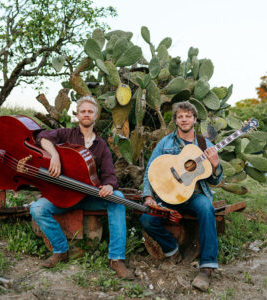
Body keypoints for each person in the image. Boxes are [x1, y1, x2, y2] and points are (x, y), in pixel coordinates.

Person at [30, 95, 133, 279]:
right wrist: (53, 154)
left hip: (89, 197)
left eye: (90, 112)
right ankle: (60, 250)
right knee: (37, 208)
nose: (86, 114)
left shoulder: (101, 145)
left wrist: (109, 185)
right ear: (77, 115)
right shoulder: (65, 134)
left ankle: (116, 259)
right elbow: (42, 137)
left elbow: (109, 173)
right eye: (83, 111)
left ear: (95, 116)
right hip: (62, 197)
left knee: (118, 199)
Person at [140, 101, 223, 291]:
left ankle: (207, 267)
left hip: (195, 195)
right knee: (146, 219)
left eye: (188, 116)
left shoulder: (204, 144)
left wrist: (216, 165)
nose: (184, 119)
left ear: (194, 119)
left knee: (206, 208)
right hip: (169, 195)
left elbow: (215, 181)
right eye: (180, 116)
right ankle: (172, 251)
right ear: (176, 121)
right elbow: (150, 171)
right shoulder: (166, 143)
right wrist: (148, 196)